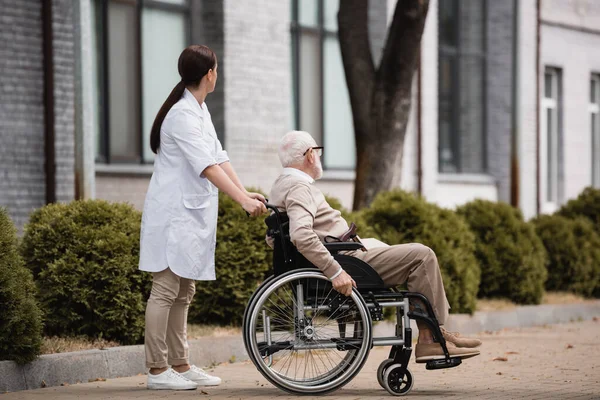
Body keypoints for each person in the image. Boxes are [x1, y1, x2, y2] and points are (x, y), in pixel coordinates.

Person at [267, 130, 482, 363]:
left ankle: (436, 332)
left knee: (392, 248)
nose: (318, 158)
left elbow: (275, 239)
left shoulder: (282, 185)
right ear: (310, 155)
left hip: (343, 252)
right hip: (345, 260)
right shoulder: (300, 187)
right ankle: (431, 338)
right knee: (422, 256)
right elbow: (301, 235)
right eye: (317, 153)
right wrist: (335, 271)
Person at [139, 45, 267, 391]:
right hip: (172, 216)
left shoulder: (198, 108)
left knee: (184, 289)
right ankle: (156, 370)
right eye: (217, 69)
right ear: (209, 73)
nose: (218, 74)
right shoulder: (181, 115)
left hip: (187, 215)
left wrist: (245, 193)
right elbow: (206, 167)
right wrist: (240, 199)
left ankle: (179, 364)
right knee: (165, 288)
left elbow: (218, 155)